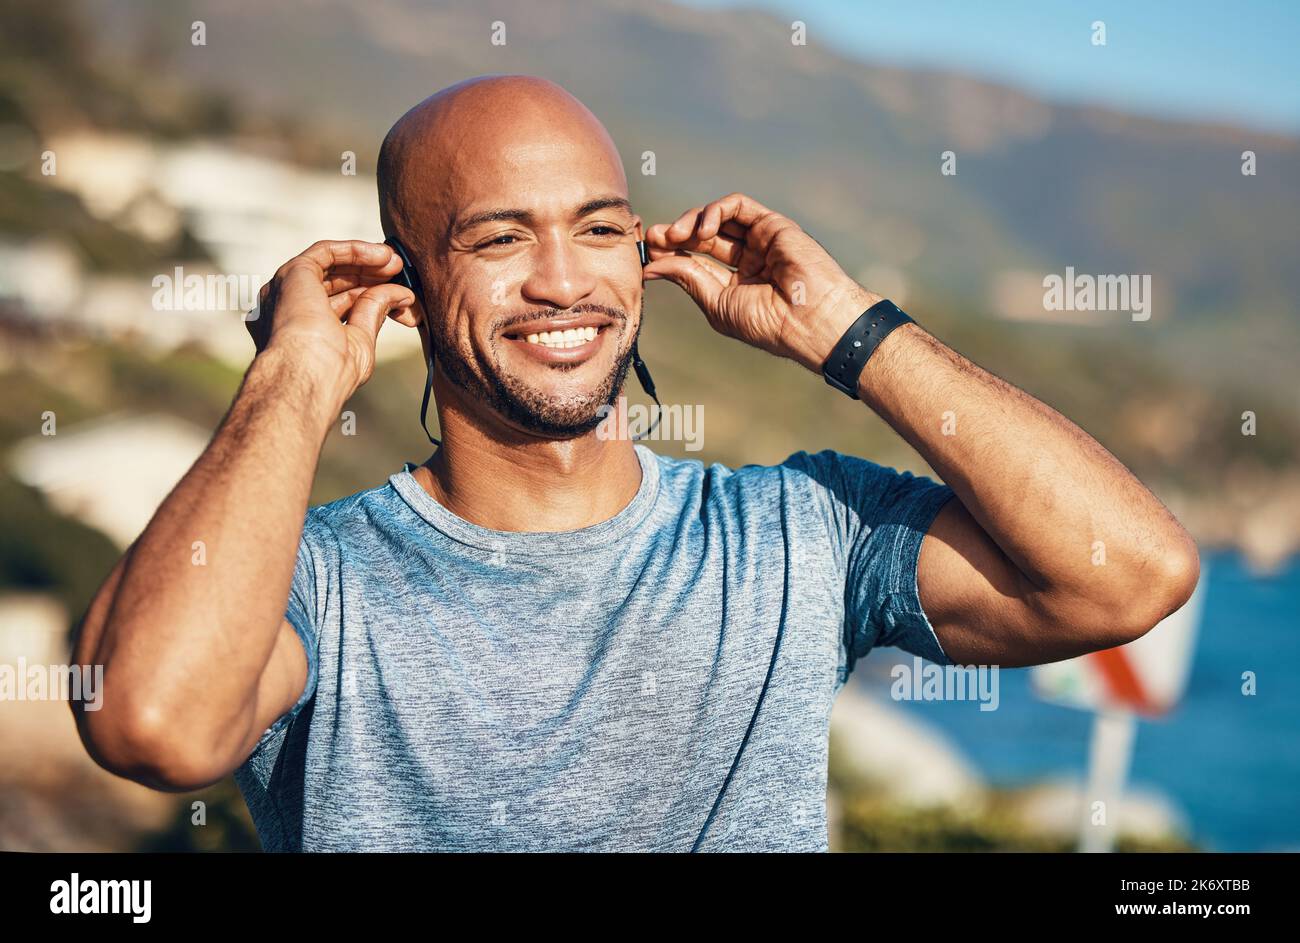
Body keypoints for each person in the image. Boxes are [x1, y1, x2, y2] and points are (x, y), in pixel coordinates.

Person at [70, 75, 1199, 852]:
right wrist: (294, 376)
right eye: (500, 238)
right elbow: (150, 724)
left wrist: (846, 330)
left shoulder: (800, 531)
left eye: (601, 228)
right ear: (401, 286)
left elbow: (1127, 574)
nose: (566, 281)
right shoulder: (312, 577)